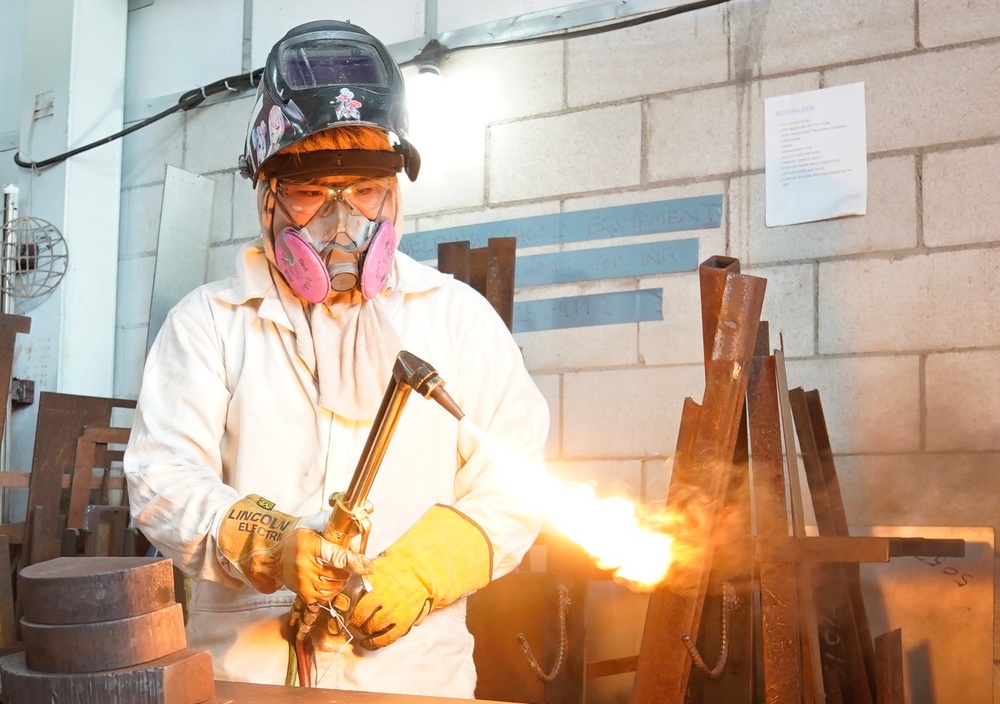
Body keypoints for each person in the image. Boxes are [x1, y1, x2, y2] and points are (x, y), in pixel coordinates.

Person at [123, 19, 549, 697]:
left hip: (413, 678)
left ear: (395, 193)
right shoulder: (209, 322)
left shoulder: (457, 318)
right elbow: (161, 479)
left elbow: (517, 484)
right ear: (267, 196)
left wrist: (420, 570)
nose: (342, 225)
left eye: (365, 190)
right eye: (313, 192)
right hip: (247, 676)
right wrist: (267, 541)